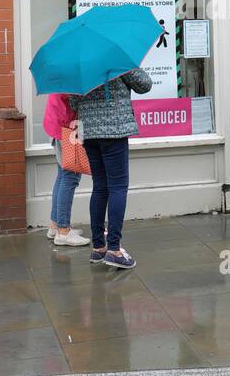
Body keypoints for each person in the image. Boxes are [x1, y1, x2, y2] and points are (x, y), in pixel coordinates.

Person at [68, 67, 152, 269]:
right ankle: (114, 249)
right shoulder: (117, 60)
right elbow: (145, 85)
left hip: (90, 132)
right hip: (114, 131)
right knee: (118, 187)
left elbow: (73, 102)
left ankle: (99, 248)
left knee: (100, 187)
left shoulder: (79, 66)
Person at [42, 93, 90, 246]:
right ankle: (63, 231)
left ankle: (55, 226)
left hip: (58, 125)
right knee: (70, 176)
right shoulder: (71, 73)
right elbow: (75, 100)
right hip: (65, 128)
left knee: (63, 175)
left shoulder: (61, 70)